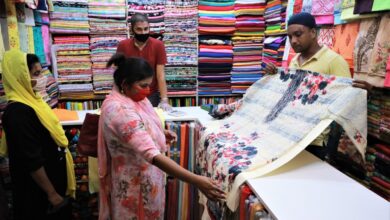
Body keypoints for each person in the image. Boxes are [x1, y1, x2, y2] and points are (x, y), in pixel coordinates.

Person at [98, 54, 225, 220]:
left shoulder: (132, 98)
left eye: (149, 85)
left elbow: (137, 127)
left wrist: (158, 132)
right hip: (135, 188)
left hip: (144, 181)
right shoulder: (120, 111)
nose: (148, 90)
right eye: (143, 85)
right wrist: (197, 181)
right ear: (125, 84)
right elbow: (152, 155)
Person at [0, 49, 76, 219]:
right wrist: (52, 194)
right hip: (38, 192)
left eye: (40, 73)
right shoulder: (17, 113)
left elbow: (44, 136)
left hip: (52, 182)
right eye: (35, 74)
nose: (41, 80)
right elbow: (31, 160)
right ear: (20, 76)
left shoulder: (35, 101)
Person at [117, 13, 172, 111]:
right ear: (132, 29)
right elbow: (119, 73)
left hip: (150, 94)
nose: (143, 32)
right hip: (128, 94)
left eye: (146, 29)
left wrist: (164, 100)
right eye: (139, 29)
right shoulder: (123, 45)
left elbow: (160, 75)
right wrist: (116, 97)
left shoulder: (158, 45)